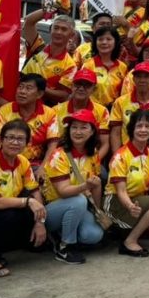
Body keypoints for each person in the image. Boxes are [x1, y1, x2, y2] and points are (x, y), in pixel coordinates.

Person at [0, 119, 47, 278]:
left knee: (33, 213)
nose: (15, 142)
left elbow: (34, 190)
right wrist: (28, 202)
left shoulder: (23, 161)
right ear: (1, 140)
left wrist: (40, 223)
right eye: (10, 138)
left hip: (10, 211)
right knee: (13, 212)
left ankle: (11, 246)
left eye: (20, 139)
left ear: (27, 143)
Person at [108, 110, 149, 257]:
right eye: (139, 126)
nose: (143, 130)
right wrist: (130, 206)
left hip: (137, 202)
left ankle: (127, 231)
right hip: (116, 203)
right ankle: (129, 241)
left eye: (147, 126)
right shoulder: (121, 156)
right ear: (132, 129)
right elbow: (121, 191)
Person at [41, 108, 104, 264]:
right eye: (74, 127)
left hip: (79, 206)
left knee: (93, 235)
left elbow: (96, 184)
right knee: (77, 200)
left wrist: (98, 211)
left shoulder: (93, 154)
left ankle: (63, 232)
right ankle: (65, 246)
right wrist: (85, 186)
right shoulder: (58, 155)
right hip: (53, 209)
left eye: (83, 127)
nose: (78, 131)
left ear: (92, 132)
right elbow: (63, 192)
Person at [0, 74, 59, 163]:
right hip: (8, 161)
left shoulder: (49, 114)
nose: (22, 91)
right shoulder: (4, 111)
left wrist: (43, 167)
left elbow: (53, 144)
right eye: (20, 87)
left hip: (36, 163)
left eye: (28, 88)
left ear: (39, 94)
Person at [108, 62, 149, 153]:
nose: (142, 80)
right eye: (138, 76)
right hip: (127, 154)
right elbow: (116, 133)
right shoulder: (120, 102)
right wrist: (117, 156)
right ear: (133, 79)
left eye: (146, 76)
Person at [54, 69, 111, 160]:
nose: (81, 88)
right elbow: (53, 143)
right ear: (72, 86)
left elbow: (105, 144)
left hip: (90, 157)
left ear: (94, 89)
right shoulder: (56, 110)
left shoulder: (102, 111)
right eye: (78, 84)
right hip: (61, 158)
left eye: (87, 85)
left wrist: (92, 164)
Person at [21, 12, 77, 105]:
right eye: (56, 28)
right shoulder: (37, 47)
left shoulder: (70, 66)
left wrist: (38, 87)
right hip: (20, 102)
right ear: (51, 30)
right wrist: (49, 9)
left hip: (45, 112)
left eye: (64, 29)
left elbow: (63, 95)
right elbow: (29, 21)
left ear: (71, 35)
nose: (58, 32)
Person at [81, 26, 129, 107]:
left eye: (108, 39)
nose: (104, 42)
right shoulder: (88, 65)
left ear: (115, 42)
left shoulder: (122, 67)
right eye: (100, 39)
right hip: (93, 110)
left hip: (115, 110)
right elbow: (82, 90)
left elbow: (125, 92)